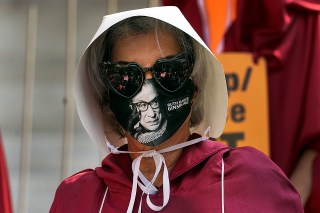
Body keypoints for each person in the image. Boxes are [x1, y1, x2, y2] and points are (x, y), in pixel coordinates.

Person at [50, 6, 303, 212]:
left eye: (168, 72)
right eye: (126, 77)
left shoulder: (249, 181)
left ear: (195, 87)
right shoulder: (79, 198)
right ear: (106, 97)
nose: (148, 91)